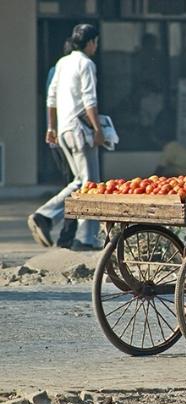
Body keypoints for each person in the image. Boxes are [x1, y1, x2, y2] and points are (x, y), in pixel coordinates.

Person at [28, 23, 104, 251]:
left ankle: (85, 237)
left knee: (84, 183)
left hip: (63, 129)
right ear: (91, 42)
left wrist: (51, 127)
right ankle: (46, 216)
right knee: (87, 183)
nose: (96, 47)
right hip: (80, 131)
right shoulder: (86, 63)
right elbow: (90, 101)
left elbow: (51, 98)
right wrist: (98, 129)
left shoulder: (63, 62)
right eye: (95, 42)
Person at [45, 39, 77, 249]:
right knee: (77, 185)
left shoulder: (56, 70)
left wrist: (51, 129)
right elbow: (53, 101)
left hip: (60, 134)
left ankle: (71, 236)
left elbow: (51, 101)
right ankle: (62, 232)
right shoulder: (68, 69)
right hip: (68, 135)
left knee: (75, 183)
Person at [153, 108, 186, 177]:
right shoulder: (175, 145)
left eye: (158, 141)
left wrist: (150, 179)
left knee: (168, 171)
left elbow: (160, 168)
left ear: (162, 140)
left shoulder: (170, 147)